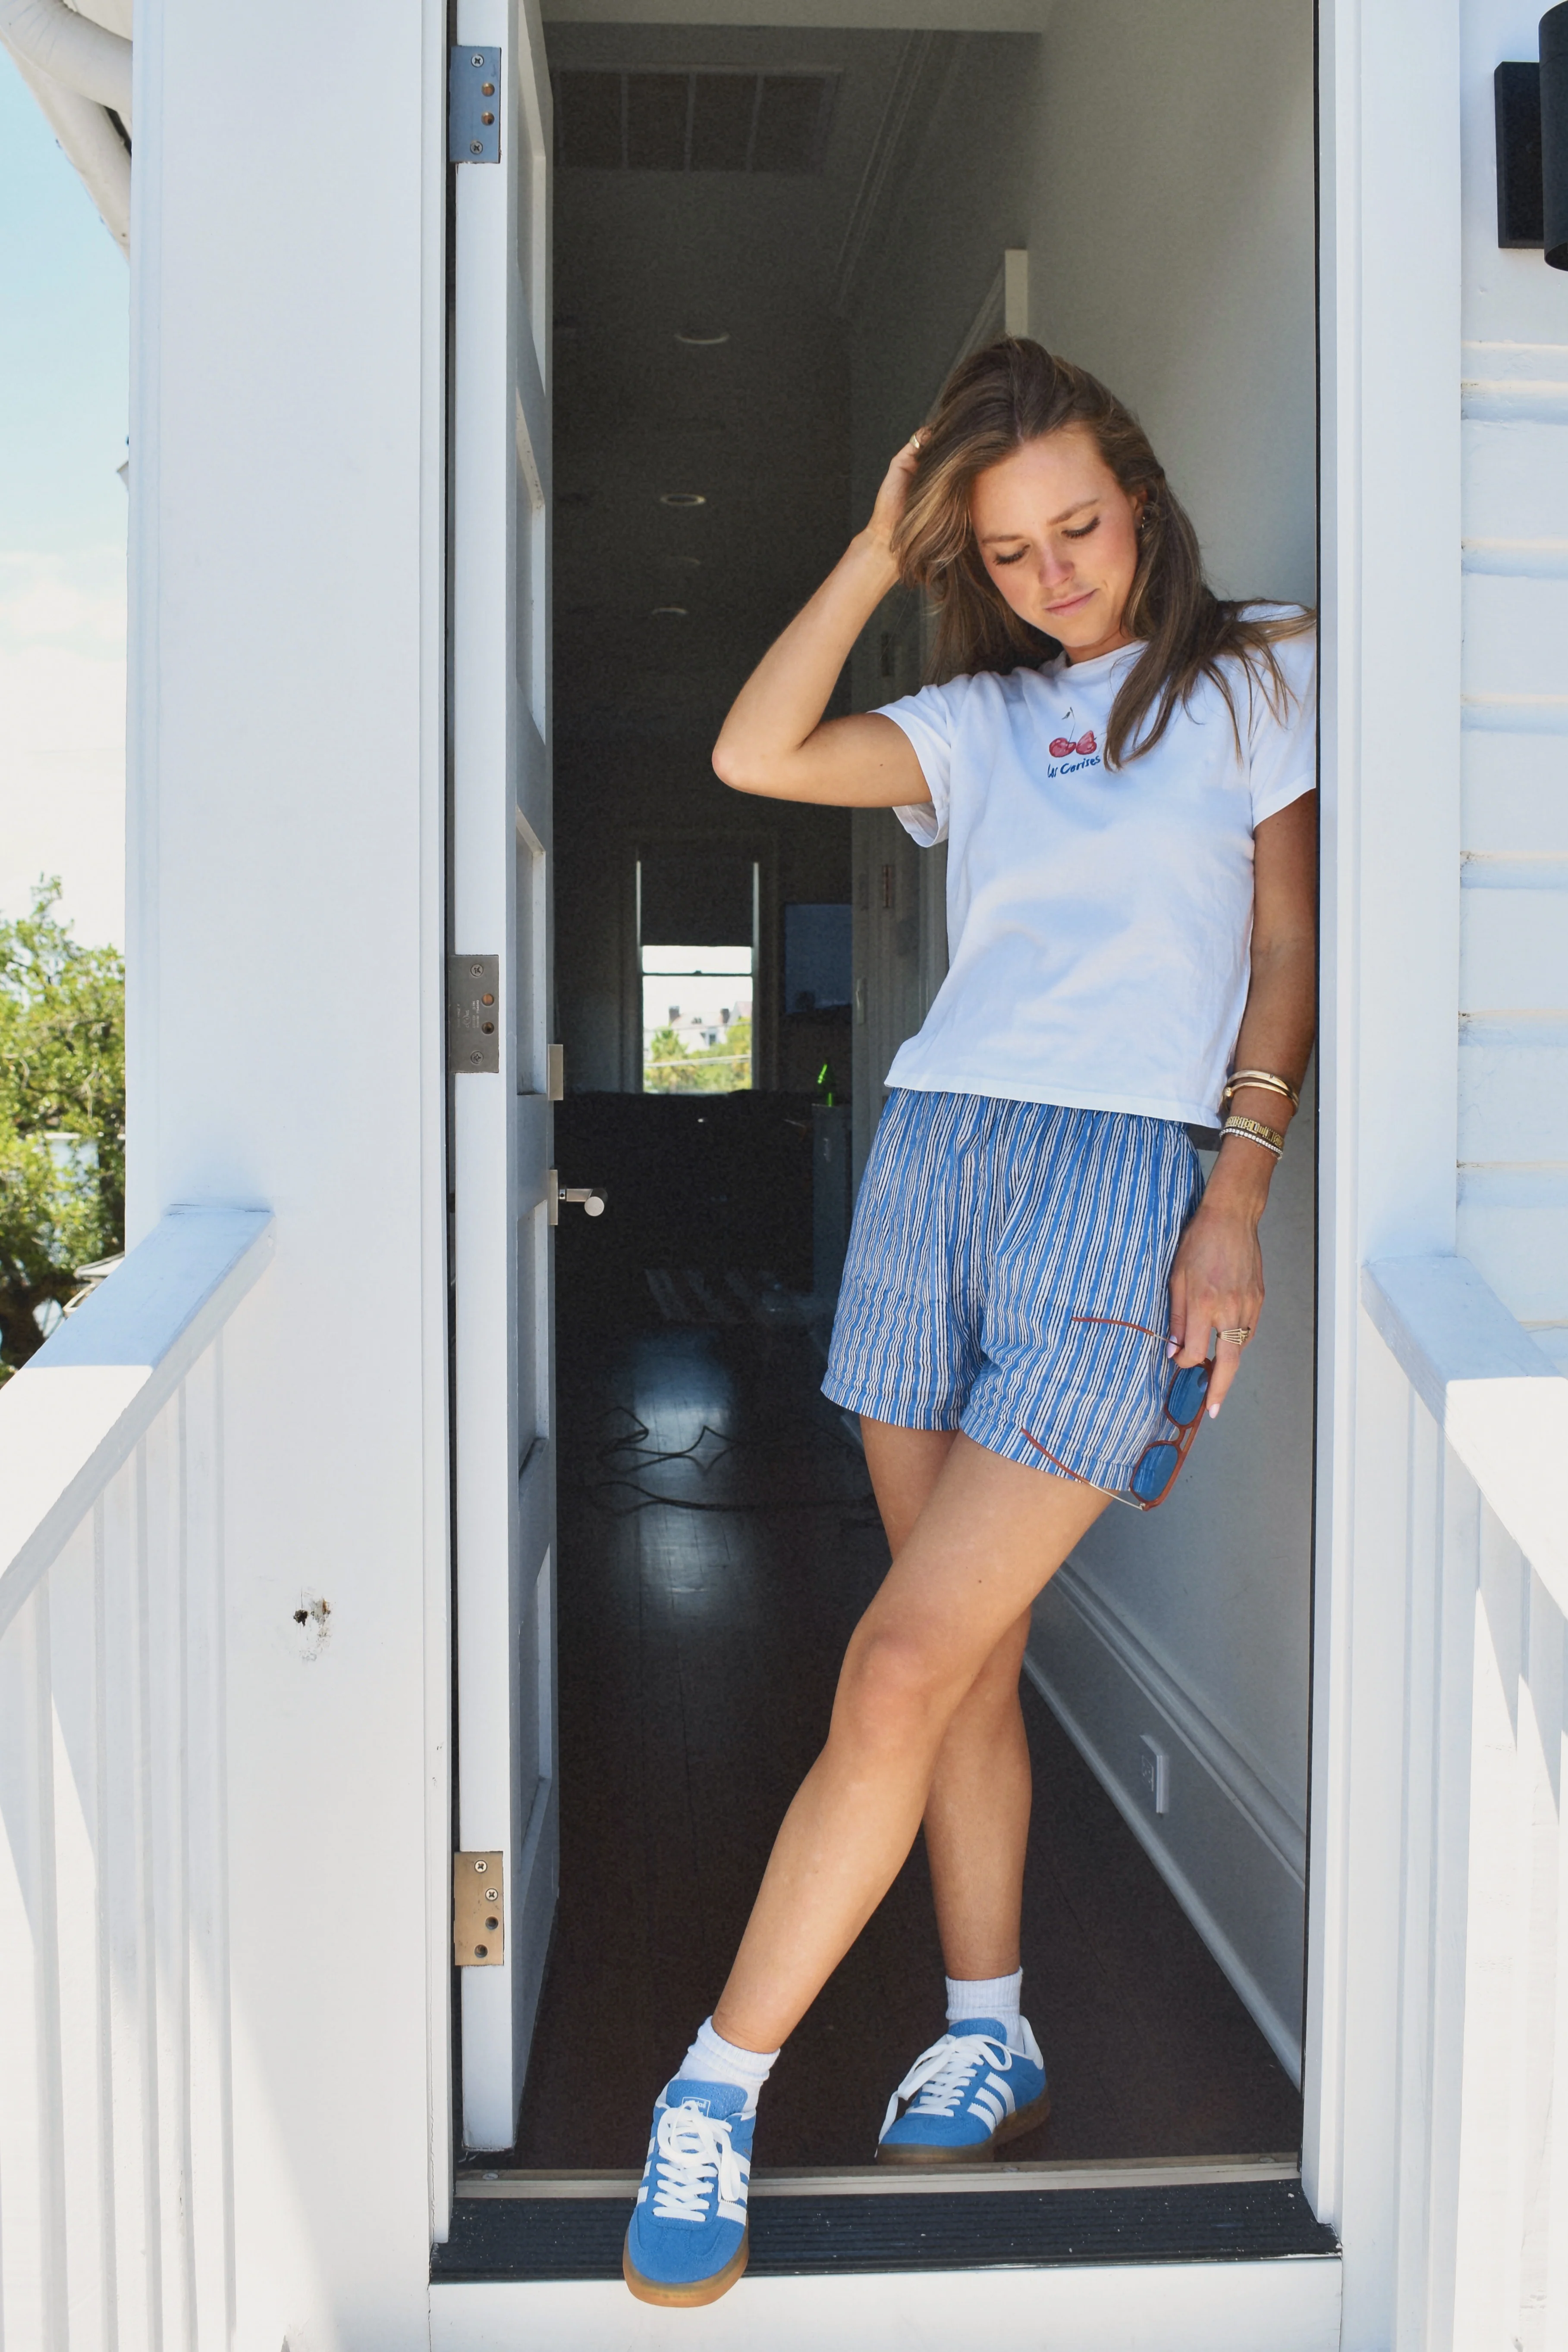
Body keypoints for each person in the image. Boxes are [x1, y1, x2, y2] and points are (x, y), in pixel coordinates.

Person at [622, 339, 1317, 2309]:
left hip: (1128, 1180)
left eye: (1079, 526)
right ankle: (988, 2020)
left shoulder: (1264, 665)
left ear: (1145, 502)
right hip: (937, 1161)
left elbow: (1281, 950)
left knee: (893, 1658)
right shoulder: (979, 718)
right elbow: (755, 756)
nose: (1053, 572)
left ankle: (712, 2084)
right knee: (966, 1659)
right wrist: (866, 549)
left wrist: (1234, 1200)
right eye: (1007, 550)